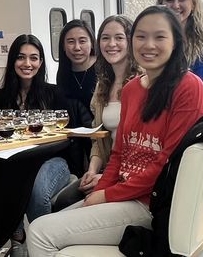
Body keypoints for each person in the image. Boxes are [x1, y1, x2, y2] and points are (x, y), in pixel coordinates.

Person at [27, 6, 203, 256]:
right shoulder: (132, 89)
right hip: (124, 194)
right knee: (48, 226)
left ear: (176, 42)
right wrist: (103, 190)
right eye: (141, 36)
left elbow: (166, 164)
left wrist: (107, 195)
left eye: (159, 37)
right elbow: (119, 153)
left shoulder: (188, 86)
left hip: (152, 202)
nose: (149, 44)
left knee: (39, 232)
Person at [0, 34, 91, 257]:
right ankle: (18, 239)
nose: (27, 64)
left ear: (41, 62)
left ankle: (43, 246)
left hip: (52, 161)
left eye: (34, 58)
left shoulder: (53, 93)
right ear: (12, 61)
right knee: (3, 182)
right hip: (15, 162)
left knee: (37, 192)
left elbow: (67, 136)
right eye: (21, 57)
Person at [54, 15, 140, 210]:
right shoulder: (103, 84)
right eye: (105, 38)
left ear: (131, 41)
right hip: (106, 167)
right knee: (62, 202)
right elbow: (98, 137)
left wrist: (107, 176)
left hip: (129, 175)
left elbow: (141, 146)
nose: (112, 44)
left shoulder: (142, 82)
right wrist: (92, 171)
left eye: (119, 37)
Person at [56, 19, 97, 113]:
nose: (77, 47)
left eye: (82, 41)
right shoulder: (63, 72)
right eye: (71, 42)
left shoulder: (103, 69)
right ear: (63, 46)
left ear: (92, 44)